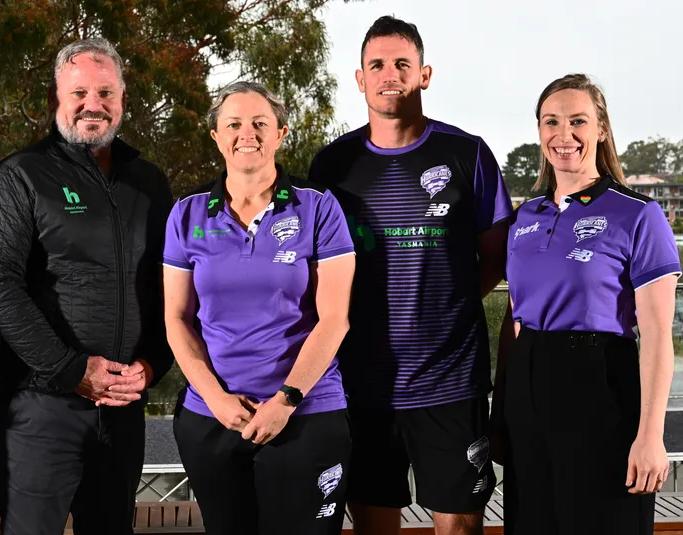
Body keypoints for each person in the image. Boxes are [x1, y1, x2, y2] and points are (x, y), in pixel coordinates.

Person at [308, 15, 513, 535]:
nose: (390, 74)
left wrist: (447, 307)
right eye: (377, 64)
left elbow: (496, 256)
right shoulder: (332, 165)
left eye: (403, 63)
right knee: (374, 526)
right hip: (361, 383)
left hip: (451, 382)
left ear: (424, 74)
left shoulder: (467, 153)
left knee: (459, 527)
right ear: (360, 79)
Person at [0, 38, 174, 535]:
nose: (92, 104)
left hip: (123, 407)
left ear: (122, 99)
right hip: (40, 405)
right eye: (79, 92)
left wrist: (152, 365)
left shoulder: (149, 182)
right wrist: (69, 369)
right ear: (54, 99)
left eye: (106, 93)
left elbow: (168, 285)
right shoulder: (21, 176)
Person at [164, 81, 356, 535]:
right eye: (233, 124)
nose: (246, 134)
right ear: (216, 136)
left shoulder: (319, 207)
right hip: (213, 419)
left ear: (281, 133)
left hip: (305, 414)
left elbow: (335, 319)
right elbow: (176, 318)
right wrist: (215, 399)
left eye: (259, 123)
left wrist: (286, 400)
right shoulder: (187, 213)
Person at [497, 73, 679, 535]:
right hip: (528, 390)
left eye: (578, 121)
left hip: (601, 388)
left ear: (601, 129)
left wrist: (651, 435)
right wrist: (504, 411)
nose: (564, 134)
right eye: (551, 121)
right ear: (539, 131)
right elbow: (515, 319)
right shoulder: (524, 218)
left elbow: (657, 335)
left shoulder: (638, 214)